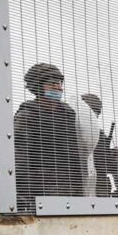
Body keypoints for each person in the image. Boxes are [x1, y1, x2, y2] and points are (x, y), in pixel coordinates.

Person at [13, 63, 86, 212]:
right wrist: (25, 199)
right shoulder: (27, 116)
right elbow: (20, 160)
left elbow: (75, 158)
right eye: (53, 84)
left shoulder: (68, 115)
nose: (59, 88)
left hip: (70, 192)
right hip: (41, 193)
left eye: (59, 83)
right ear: (38, 86)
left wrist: (79, 193)